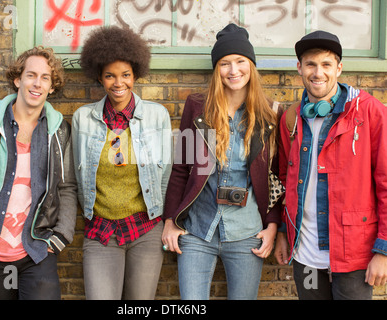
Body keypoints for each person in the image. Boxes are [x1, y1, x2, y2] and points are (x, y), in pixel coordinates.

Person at [161, 23, 283, 300]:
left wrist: (273, 226)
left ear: (251, 66)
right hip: (196, 229)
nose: (233, 70)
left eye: (240, 61)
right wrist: (170, 220)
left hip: (248, 232)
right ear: (216, 69)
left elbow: (276, 177)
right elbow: (181, 168)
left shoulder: (270, 114)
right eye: (225, 63)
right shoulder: (197, 107)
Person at [0, 46, 78, 300]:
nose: (37, 84)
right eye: (31, 75)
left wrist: (61, 235)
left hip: (37, 252)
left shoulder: (60, 132)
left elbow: (66, 187)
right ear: (17, 79)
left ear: (52, 87)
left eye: (45, 78)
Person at [274, 30, 387, 299]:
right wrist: (282, 231)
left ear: (339, 68)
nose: (318, 72)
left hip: (354, 258)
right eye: (311, 64)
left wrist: (383, 251)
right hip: (306, 256)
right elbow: (285, 182)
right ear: (299, 67)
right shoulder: (291, 119)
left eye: (326, 64)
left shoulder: (369, 112)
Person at [72, 26, 172, 300]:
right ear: (99, 77)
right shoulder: (83, 119)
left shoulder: (156, 116)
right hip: (101, 231)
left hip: (146, 230)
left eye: (125, 75)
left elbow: (167, 174)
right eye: (110, 76)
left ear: (135, 74)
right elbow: (73, 179)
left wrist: (164, 218)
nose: (119, 83)